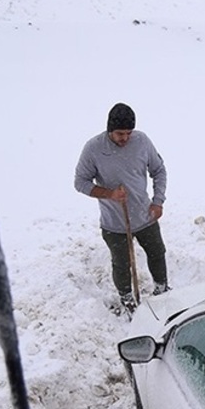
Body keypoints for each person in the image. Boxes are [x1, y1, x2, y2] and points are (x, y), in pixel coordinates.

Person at [74, 102, 169, 313]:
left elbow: (159, 170)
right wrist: (109, 194)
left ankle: (162, 291)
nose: (125, 138)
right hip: (114, 222)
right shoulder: (94, 149)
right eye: (119, 134)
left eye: (128, 133)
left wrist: (158, 202)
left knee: (157, 253)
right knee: (122, 264)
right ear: (109, 130)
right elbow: (80, 182)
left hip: (144, 215)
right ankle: (127, 301)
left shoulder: (142, 141)